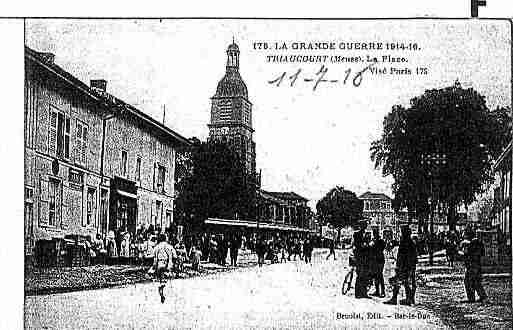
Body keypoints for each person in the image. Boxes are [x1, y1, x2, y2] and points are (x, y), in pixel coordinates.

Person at [384, 225, 417, 305]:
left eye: (402, 231)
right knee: (406, 282)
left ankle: (395, 299)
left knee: (398, 282)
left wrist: (399, 266)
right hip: (409, 266)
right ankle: (410, 299)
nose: (401, 233)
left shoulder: (405, 242)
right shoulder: (410, 242)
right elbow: (414, 257)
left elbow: (402, 256)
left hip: (404, 266)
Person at [459, 228, 487, 303]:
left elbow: (468, 254)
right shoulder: (478, 242)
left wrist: (463, 253)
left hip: (472, 265)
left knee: (468, 281)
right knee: (476, 281)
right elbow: (482, 253)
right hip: (477, 265)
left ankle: (471, 298)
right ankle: (482, 295)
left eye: (464, 235)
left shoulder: (472, 243)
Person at [151, 233, 177, 304]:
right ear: (165, 238)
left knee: (160, 279)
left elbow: (154, 257)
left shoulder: (157, 247)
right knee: (168, 278)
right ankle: (164, 288)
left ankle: (161, 290)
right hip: (167, 264)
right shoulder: (169, 246)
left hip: (159, 264)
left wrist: (154, 267)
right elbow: (175, 256)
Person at [353, 220, 371, 299]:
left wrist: (367, 245)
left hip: (366, 257)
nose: (365, 227)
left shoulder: (367, 234)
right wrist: (363, 245)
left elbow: (367, 243)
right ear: (361, 226)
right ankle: (357, 293)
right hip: (360, 256)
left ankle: (364, 293)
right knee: (360, 274)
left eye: (365, 225)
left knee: (365, 275)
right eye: (364, 225)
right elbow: (357, 244)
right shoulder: (356, 234)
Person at [370, 229, 386, 297]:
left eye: (375, 233)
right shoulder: (374, 241)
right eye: (374, 233)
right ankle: (377, 291)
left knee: (380, 275)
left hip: (379, 260)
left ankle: (382, 291)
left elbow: (381, 248)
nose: (374, 235)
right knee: (375, 275)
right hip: (375, 260)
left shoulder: (380, 241)